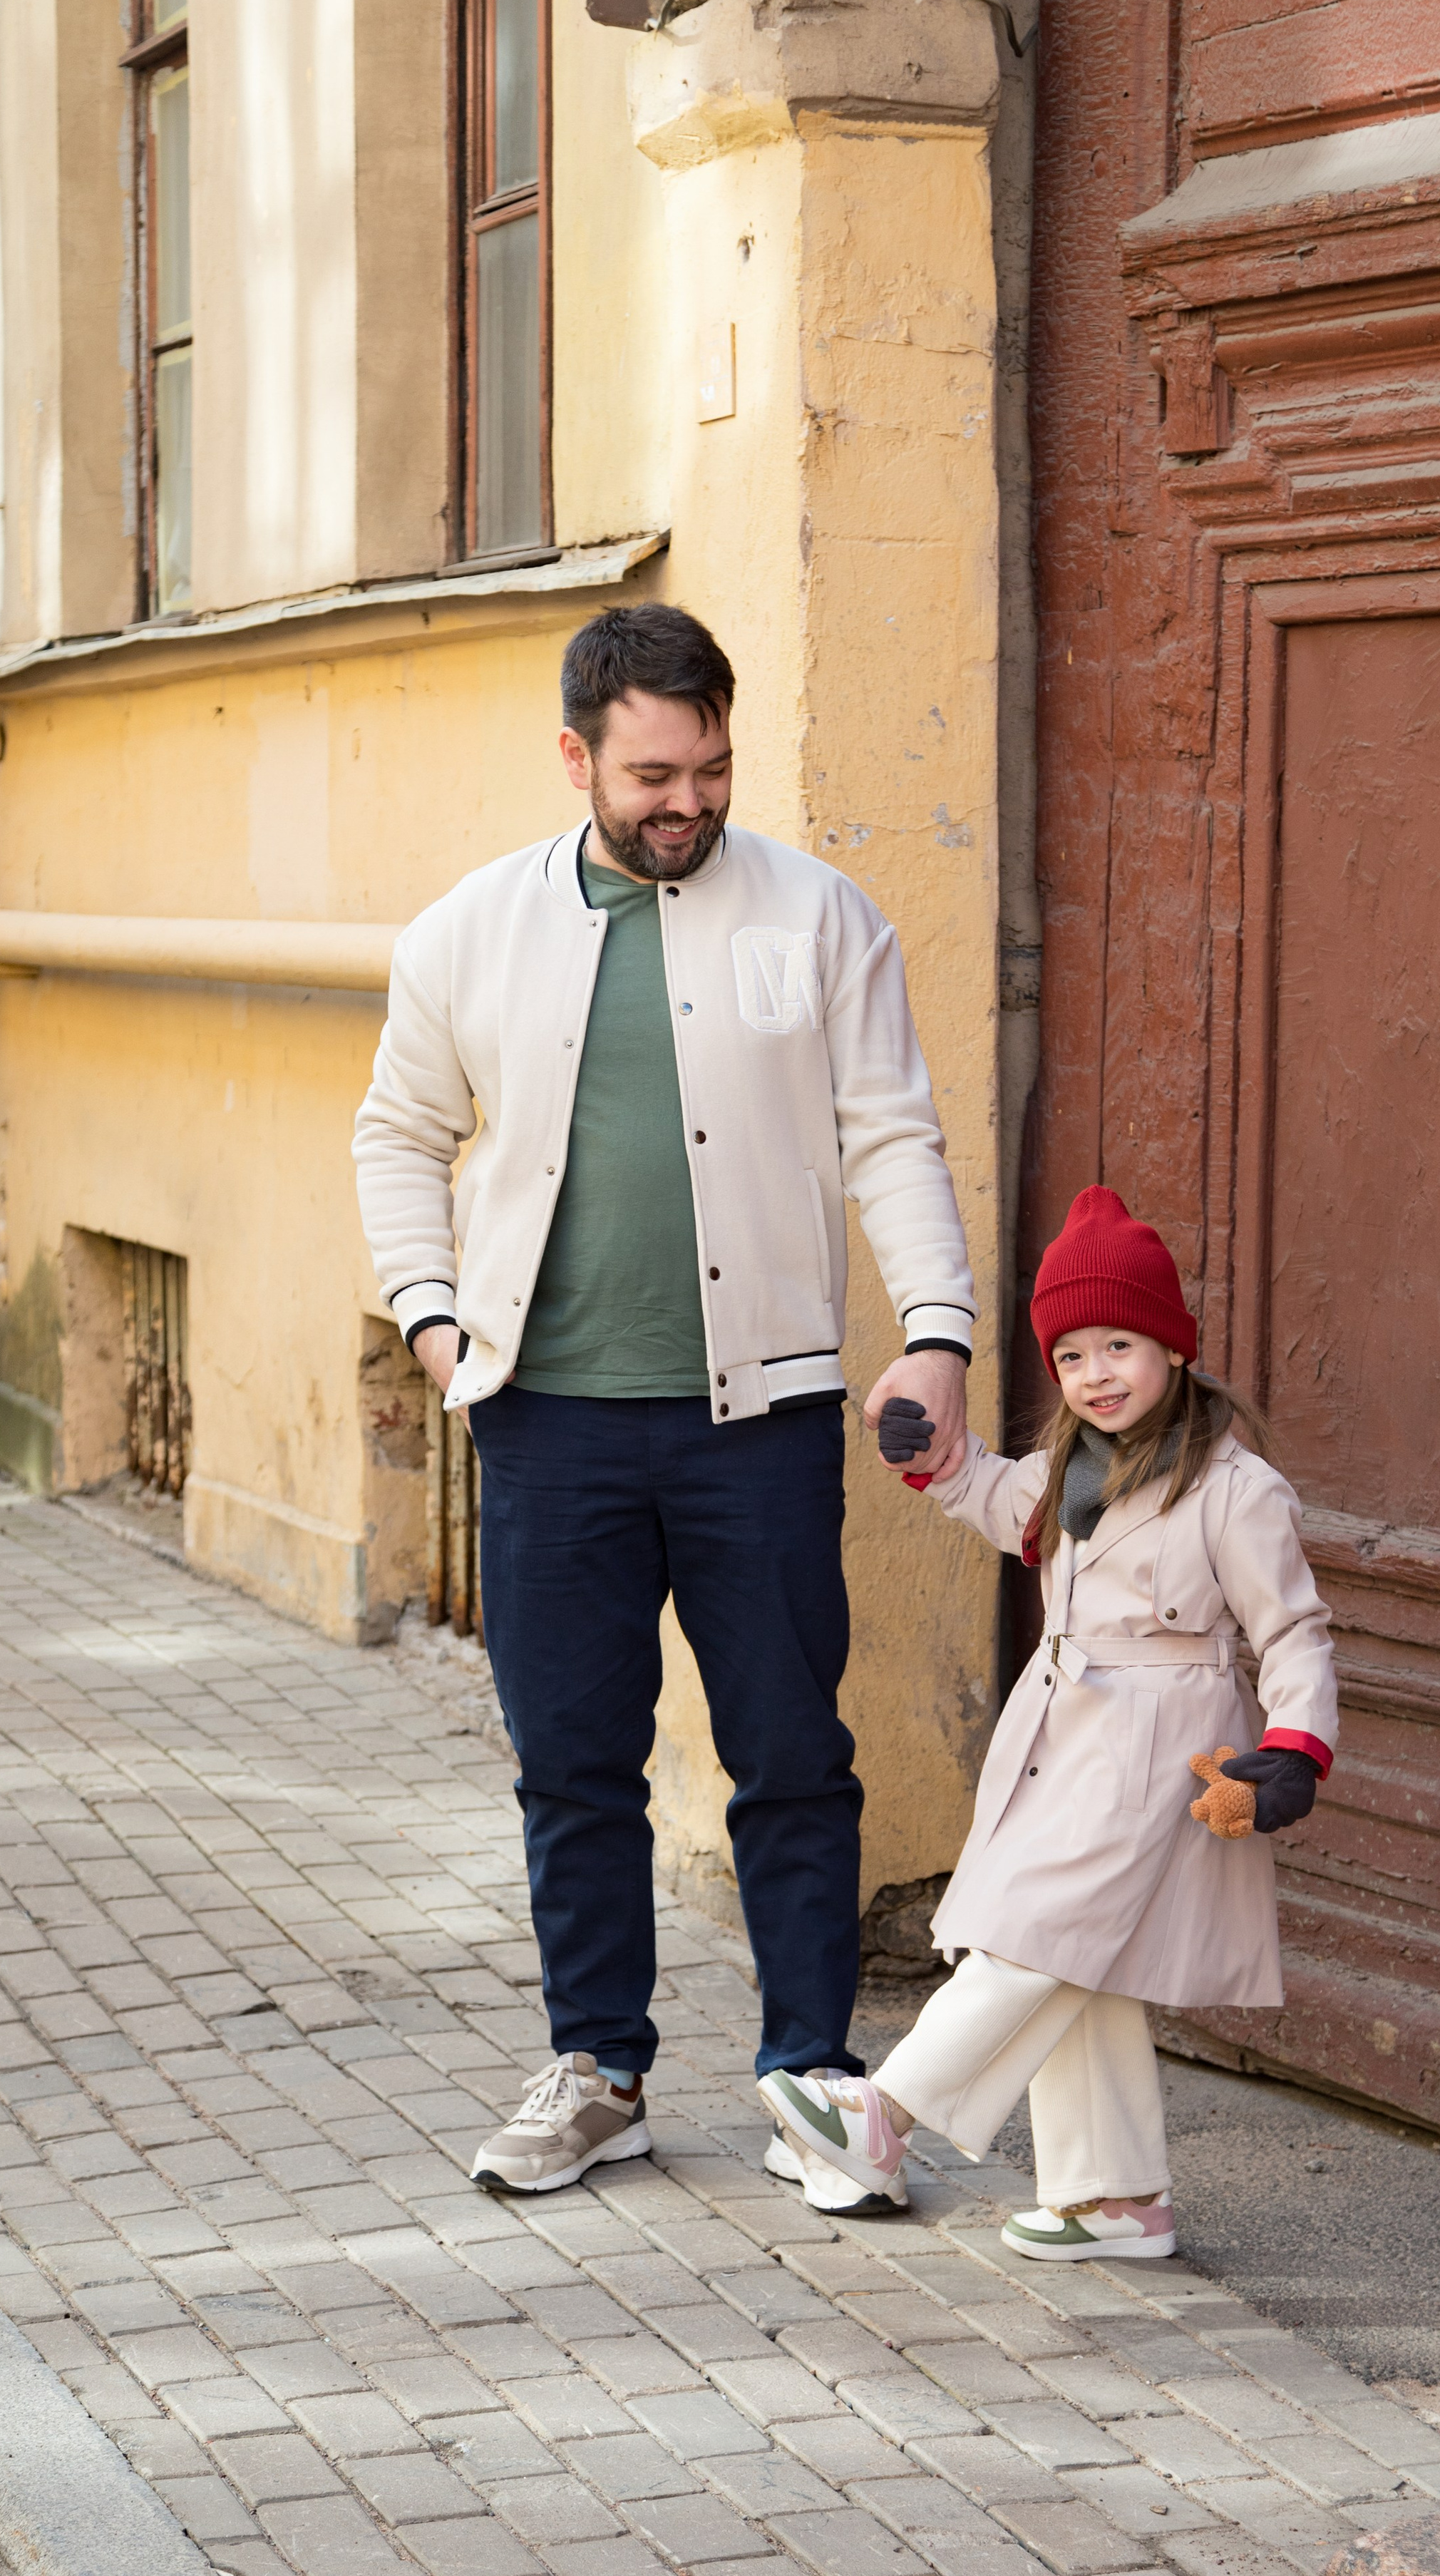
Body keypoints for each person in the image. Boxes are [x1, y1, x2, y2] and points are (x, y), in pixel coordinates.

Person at [352, 602, 976, 2207]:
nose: (683, 801)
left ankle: (810, 2077)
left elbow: (889, 1136)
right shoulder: (463, 936)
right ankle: (599, 2070)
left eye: (704, 767)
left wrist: (934, 1333)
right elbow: (397, 1137)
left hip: (756, 1423)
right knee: (571, 1763)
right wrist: (433, 1326)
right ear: (576, 758)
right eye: (647, 774)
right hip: (544, 1420)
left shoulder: (819, 916)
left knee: (788, 1753)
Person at [761, 1185, 1337, 2258]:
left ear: (1170, 1346)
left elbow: (1295, 1630)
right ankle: (1116, 2198)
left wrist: (1294, 1751)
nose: (1097, 1375)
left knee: (1039, 1934)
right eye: (1072, 1356)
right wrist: (930, 1453)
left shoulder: (1234, 1488)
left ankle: (880, 2114)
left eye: (1120, 1344)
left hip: (1168, 1743)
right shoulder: (1070, 1473)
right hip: (1065, 1731)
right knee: (1084, 1957)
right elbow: (986, 1491)